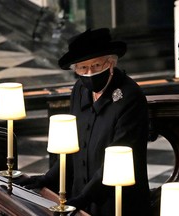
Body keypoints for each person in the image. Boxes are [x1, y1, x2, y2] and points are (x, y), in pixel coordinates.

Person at [18, 28, 151, 216]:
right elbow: (74, 147)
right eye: (82, 68)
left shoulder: (130, 97)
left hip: (116, 201)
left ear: (111, 63)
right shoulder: (80, 90)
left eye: (96, 65)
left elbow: (119, 159)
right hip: (80, 198)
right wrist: (47, 179)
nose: (89, 73)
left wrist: (84, 198)